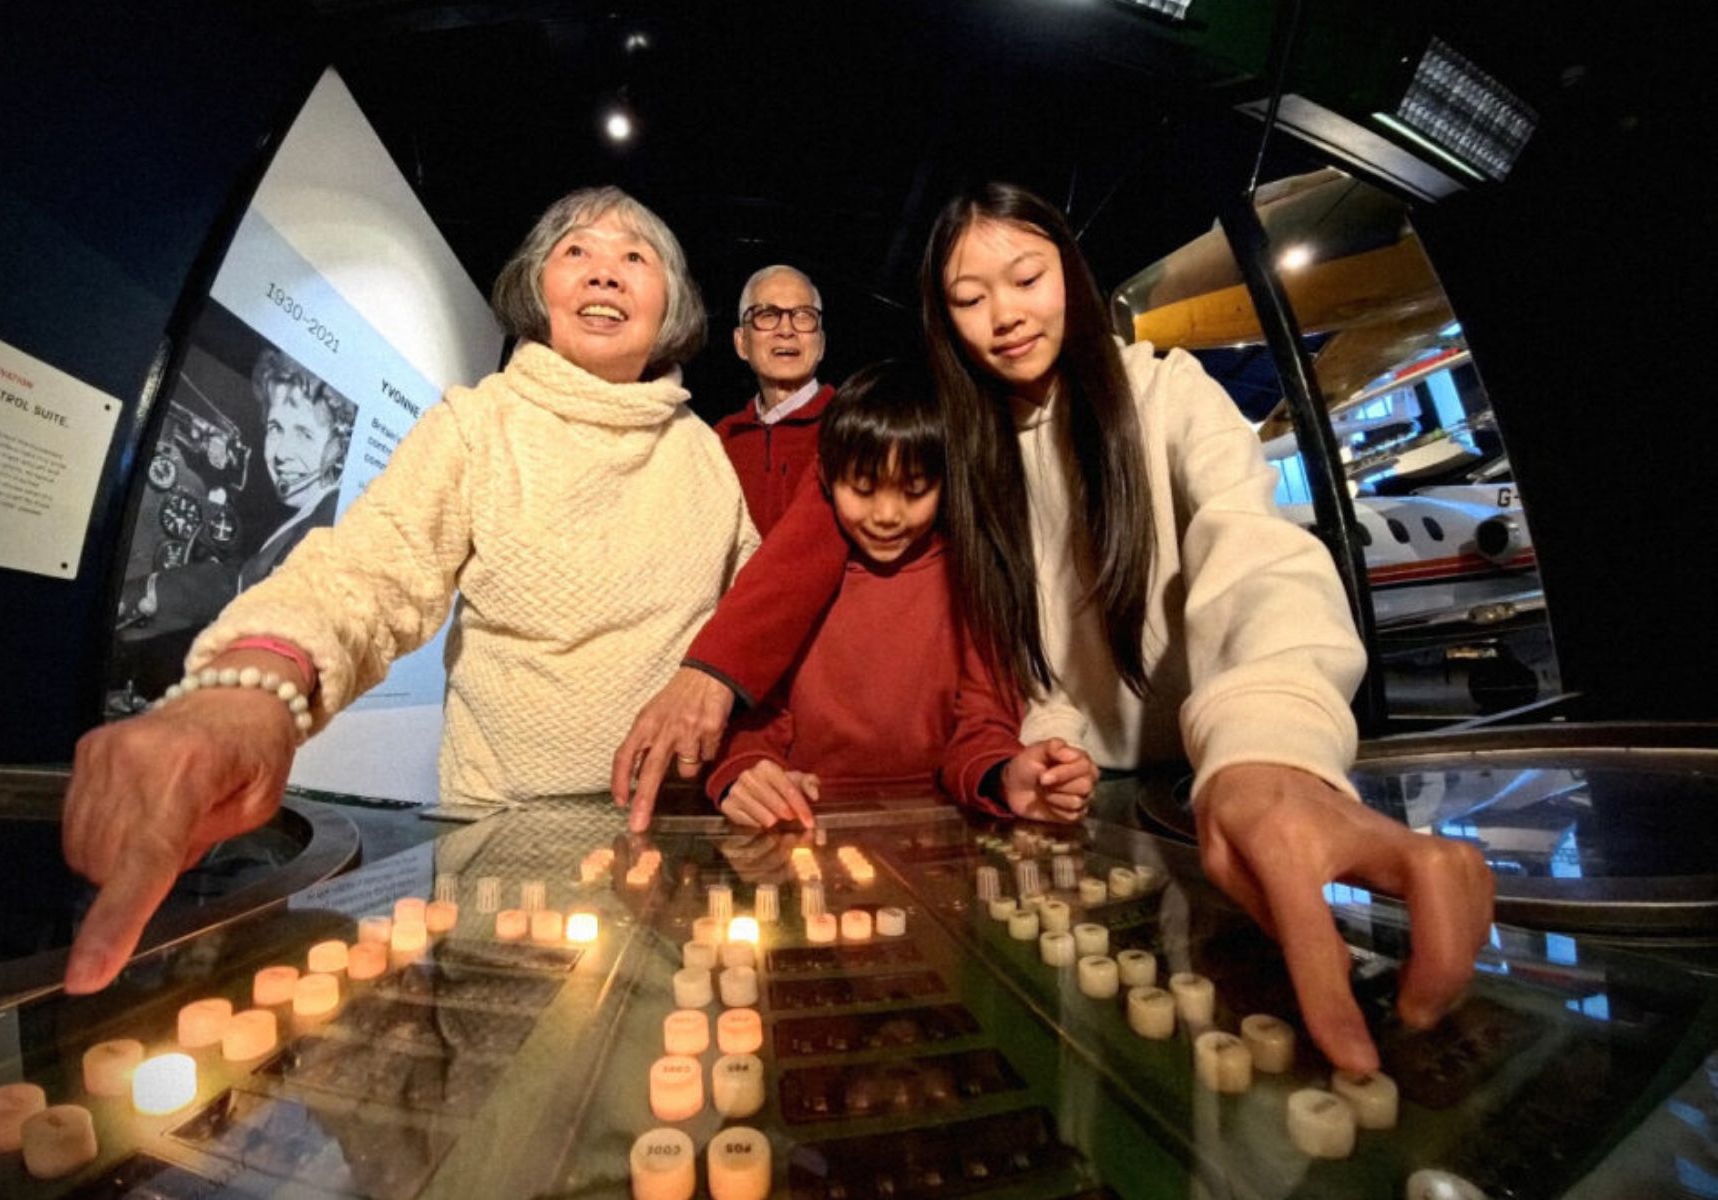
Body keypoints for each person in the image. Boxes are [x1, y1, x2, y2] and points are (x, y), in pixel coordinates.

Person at [615, 182, 1493, 1074]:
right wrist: (717, 676)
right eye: (968, 299)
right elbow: (834, 558)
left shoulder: (1166, 391)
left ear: (1070, 273)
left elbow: (1256, 553)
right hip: (1069, 802)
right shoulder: (955, 436)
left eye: (1026, 277)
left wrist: (1270, 741)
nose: (1003, 316)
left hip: (1226, 777)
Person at [62, 186, 757, 994]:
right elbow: (369, 570)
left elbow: (753, 618)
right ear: (537, 287)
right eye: (577, 253)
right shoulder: (478, 425)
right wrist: (248, 688)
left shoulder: (701, 454)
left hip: (674, 850)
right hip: (510, 858)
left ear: (670, 301)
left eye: (634, 258)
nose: (605, 274)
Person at [709, 359, 1096, 827]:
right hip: (803, 823)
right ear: (827, 478)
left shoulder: (971, 578)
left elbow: (984, 724)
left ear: (945, 484)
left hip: (941, 828)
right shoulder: (796, 578)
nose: (887, 514)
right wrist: (746, 774)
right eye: (864, 488)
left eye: (914, 490)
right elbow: (757, 714)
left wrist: (1005, 774)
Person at [117, 349, 358, 639]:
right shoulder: (313, 516)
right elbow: (244, 583)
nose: (281, 453)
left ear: (339, 451)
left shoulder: (326, 528)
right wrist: (150, 591)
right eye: (276, 428)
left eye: (304, 434)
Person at [713, 265, 833, 532]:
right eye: (767, 315)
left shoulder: (852, 426)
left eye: (803, 315)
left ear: (821, 344)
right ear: (741, 343)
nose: (786, 330)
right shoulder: (719, 440)